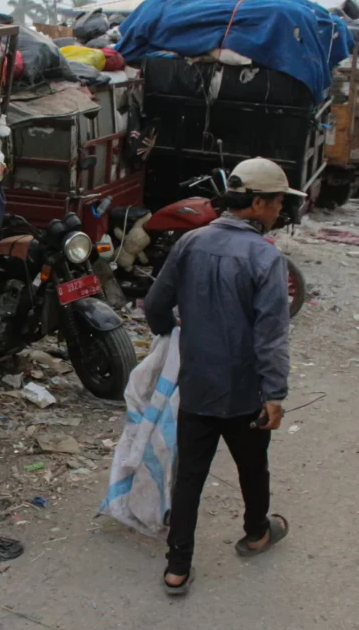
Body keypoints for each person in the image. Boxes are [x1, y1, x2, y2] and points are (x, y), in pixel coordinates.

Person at [143, 157, 303, 596]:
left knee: (189, 475)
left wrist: (171, 335)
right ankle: (256, 532)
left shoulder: (191, 242)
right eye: (275, 204)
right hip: (244, 389)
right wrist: (275, 394)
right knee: (252, 464)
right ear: (256, 203)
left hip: (197, 383)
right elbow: (271, 334)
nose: (279, 212)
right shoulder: (266, 257)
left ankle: (177, 568)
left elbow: (156, 303)